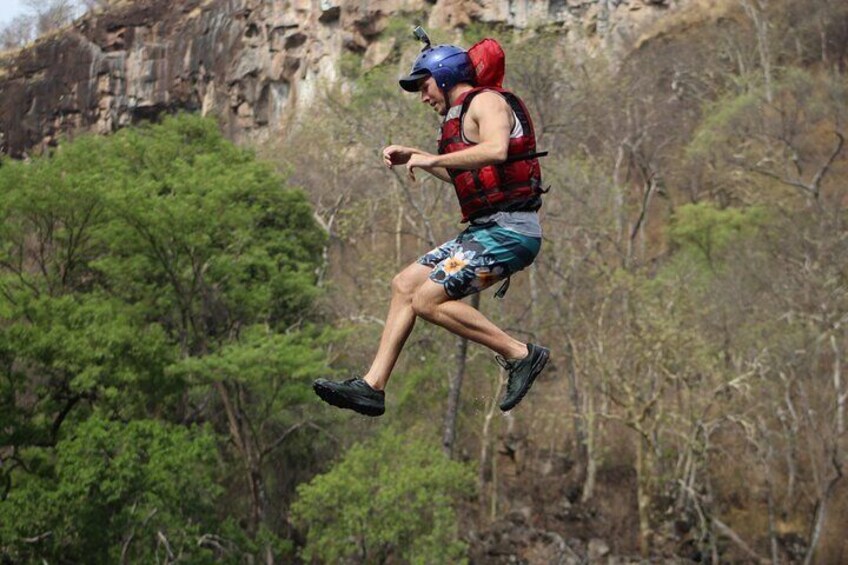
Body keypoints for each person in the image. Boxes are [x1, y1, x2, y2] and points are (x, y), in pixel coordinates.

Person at [313, 41, 550, 417]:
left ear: (445, 76)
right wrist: (418, 158)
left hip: (512, 233)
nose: (423, 97)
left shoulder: (486, 102)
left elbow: (496, 150)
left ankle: (520, 354)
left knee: (427, 299)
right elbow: (462, 170)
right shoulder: (456, 120)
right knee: (404, 285)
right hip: (484, 231)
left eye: (424, 86)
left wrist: (433, 157)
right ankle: (372, 387)